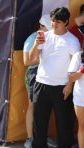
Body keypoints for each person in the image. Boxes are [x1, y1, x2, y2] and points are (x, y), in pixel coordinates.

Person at [27, 7, 81, 148]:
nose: (54, 24)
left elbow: (75, 66)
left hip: (62, 86)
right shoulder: (44, 36)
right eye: (52, 21)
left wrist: (69, 85)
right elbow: (31, 58)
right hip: (41, 83)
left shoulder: (72, 41)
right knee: (39, 123)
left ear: (66, 22)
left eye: (58, 22)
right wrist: (36, 44)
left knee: (64, 125)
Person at [23, 14, 51, 148]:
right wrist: (46, 59)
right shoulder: (32, 38)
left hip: (49, 75)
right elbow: (26, 61)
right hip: (34, 74)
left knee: (46, 107)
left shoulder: (52, 37)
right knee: (33, 106)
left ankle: (42, 136)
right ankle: (30, 138)